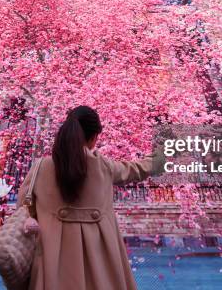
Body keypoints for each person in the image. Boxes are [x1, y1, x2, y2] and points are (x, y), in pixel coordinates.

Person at [17, 105, 163, 290]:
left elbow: (23, 209)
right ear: (93, 138)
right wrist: (161, 155)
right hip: (101, 263)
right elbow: (138, 169)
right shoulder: (105, 168)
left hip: (50, 264)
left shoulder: (40, 169)